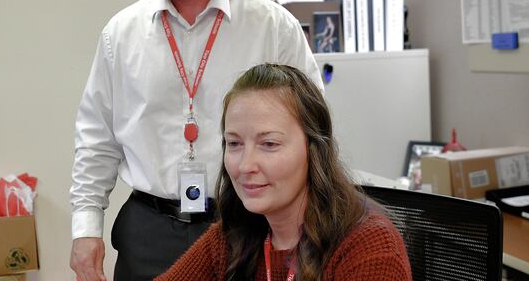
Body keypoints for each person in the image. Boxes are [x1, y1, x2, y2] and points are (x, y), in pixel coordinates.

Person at [69, 0, 322, 281]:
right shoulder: (121, 34)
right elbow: (96, 139)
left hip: (248, 226)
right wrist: (85, 228)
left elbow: (313, 132)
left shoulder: (273, 27)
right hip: (149, 231)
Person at [157, 64, 412, 280]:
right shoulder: (234, 236)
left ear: (313, 150)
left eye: (269, 144)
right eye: (234, 143)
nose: (246, 166)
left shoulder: (370, 248)